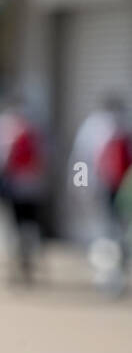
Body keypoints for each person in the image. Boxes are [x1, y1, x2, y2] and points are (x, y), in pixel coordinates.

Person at [0, 99, 47, 283]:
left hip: (10, 185)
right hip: (33, 186)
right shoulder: (34, 124)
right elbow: (47, 155)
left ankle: (16, 264)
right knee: (30, 226)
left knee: (13, 226)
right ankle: (28, 261)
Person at [70, 97, 131, 291]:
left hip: (103, 186)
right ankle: (115, 271)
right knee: (118, 230)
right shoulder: (126, 122)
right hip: (123, 186)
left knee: (106, 231)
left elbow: (80, 159)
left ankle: (109, 275)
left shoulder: (92, 126)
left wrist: (80, 185)